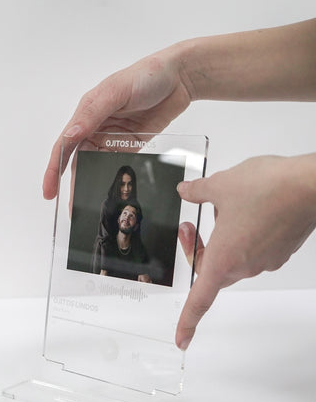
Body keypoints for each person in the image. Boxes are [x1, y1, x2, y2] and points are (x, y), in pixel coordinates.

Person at [43, 18, 316, 350]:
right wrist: (180, 73)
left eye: (131, 206)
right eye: (123, 204)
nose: (126, 206)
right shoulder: (105, 234)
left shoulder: (139, 243)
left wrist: (302, 188)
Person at [91, 165, 139, 274]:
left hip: (125, 256)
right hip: (104, 256)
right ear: (117, 184)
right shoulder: (107, 205)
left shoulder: (135, 206)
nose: (126, 189)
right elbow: (106, 239)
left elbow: (137, 238)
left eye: (130, 184)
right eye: (122, 184)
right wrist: (104, 269)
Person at [99, 201, 152, 283]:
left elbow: (145, 281)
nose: (126, 218)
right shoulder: (105, 245)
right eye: (125, 213)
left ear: (136, 226)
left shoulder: (140, 252)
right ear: (118, 219)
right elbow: (101, 277)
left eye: (131, 216)